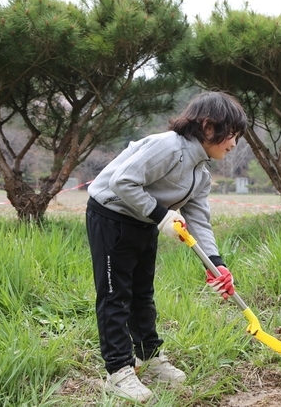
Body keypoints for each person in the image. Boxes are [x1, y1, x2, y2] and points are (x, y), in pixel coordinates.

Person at [86, 91, 247, 403]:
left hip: (145, 221)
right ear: (208, 126)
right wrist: (161, 216)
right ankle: (118, 371)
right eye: (232, 134)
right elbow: (123, 181)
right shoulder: (168, 146)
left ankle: (149, 355)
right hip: (112, 218)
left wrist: (216, 263)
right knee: (115, 295)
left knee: (142, 293)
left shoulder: (200, 171)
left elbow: (199, 218)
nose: (233, 144)